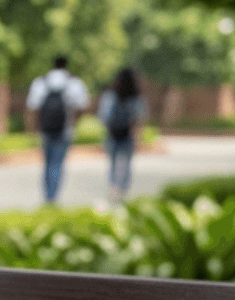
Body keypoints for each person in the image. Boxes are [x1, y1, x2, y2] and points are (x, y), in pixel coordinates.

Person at [25, 55, 88, 204]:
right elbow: (83, 106)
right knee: (57, 163)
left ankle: (47, 194)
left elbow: (32, 108)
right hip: (64, 130)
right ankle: (53, 196)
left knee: (47, 163)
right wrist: (74, 122)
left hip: (45, 130)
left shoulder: (41, 83)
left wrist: (32, 129)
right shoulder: (74, 83)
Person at [98, 66, 147, 202]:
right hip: (128, 137)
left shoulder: (110, 96)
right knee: (127, 166)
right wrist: (137, 137)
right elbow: (140, 118)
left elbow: (103, 117)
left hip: (112, 135)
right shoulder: (136, 98)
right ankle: (123, 192)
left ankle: (113, 190)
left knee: (113, 165)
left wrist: (109, 130)